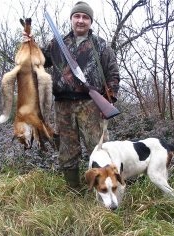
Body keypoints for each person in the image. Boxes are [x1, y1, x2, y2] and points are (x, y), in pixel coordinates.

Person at [27, 1, 120, 189]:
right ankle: (74, 192)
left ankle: (106, 191)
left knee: (99, 149)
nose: (81, 20)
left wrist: (108, 101)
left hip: (91, 105)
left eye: (85, 17)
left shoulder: (101, 46)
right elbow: (37, 60)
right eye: (77, 16)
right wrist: (29, 43)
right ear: (71, 19)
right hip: (63, 106)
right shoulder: (57, 44)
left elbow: (113, 75)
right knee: (67, 150)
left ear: (90, 21)